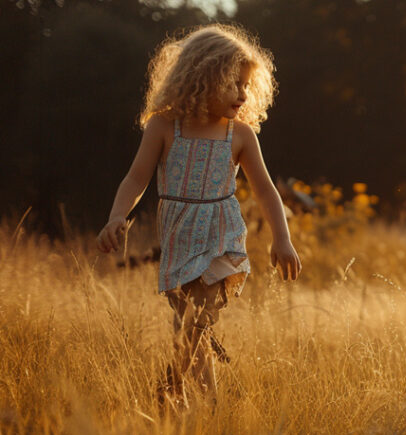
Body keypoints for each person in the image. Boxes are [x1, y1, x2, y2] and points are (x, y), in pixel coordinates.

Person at [96, 24, 301, 410]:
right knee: (189, 326)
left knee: (199, 317)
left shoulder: (239, 135)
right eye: (233, 84)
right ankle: (208, 408)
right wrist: (116, 217)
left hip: (221, 237)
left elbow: (266, 190)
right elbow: (136, 177)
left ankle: (169, 388)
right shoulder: (163, 126)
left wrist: (282, 238)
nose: (242, 94)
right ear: (202, 77)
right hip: (179, 238)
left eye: (245, 85)